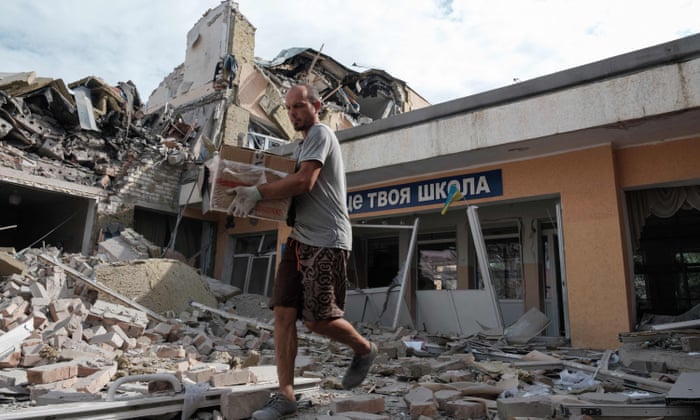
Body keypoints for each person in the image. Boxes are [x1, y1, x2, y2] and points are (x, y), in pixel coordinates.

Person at [228, 83, 377, 420]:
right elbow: (287, 190)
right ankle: (285, 397)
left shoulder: (321, 134)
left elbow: (303, 183)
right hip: (299, 239)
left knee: (318, 321)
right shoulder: (298, 147)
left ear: (316, 105)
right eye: (289, 108)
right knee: (282, 313)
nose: (293, 113)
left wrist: (257, 192)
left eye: (299, 106)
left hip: (328, 239)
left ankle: (364, 349)